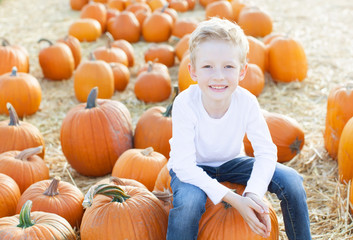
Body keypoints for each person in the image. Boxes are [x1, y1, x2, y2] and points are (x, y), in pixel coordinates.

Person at [166, 17, 311, 240]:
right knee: (189, 203)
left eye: (228, 66)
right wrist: (236, 200)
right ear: (193, 71)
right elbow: (184, 165)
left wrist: (253, 193)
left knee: (291, 181)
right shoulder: (185, 103)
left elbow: (266, 151)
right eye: (207, 66)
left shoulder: (247, 102)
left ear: (242, 71)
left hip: (232, 163)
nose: (218, 76)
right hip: (192, 168)